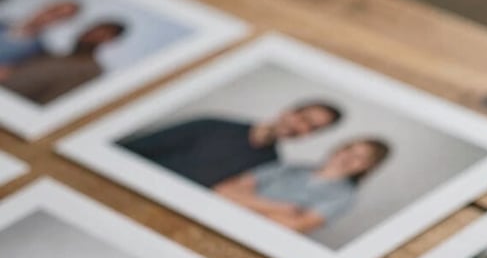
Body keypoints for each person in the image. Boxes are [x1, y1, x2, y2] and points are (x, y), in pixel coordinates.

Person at [117, 101, 344, 189]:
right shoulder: (212, 124)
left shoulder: (271, 165)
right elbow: (135, 149)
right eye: (303, 118)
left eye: (312, 128)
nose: (300, 127)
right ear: (288, 111)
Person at [212, 138, 390, 234]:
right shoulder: (292, 166)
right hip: (216, 220)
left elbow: (293, 226)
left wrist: (245, 200)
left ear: (367, 166)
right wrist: (282, 208)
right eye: (349, 150)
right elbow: (224, 190)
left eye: (360, 157)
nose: (348, 158)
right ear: (339, 149)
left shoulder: (344, 196)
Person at [2, 20, 126, 104]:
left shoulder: (90, 71)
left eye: (100, 34)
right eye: (91, 31)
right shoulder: (54, 55)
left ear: (109, 40)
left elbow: (49, 102)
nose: (90, 35)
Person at [0, 0, 81, 68]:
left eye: (60, 17)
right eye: (53, 11)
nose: (49, 17)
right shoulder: (4, 22)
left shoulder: (36, 51)